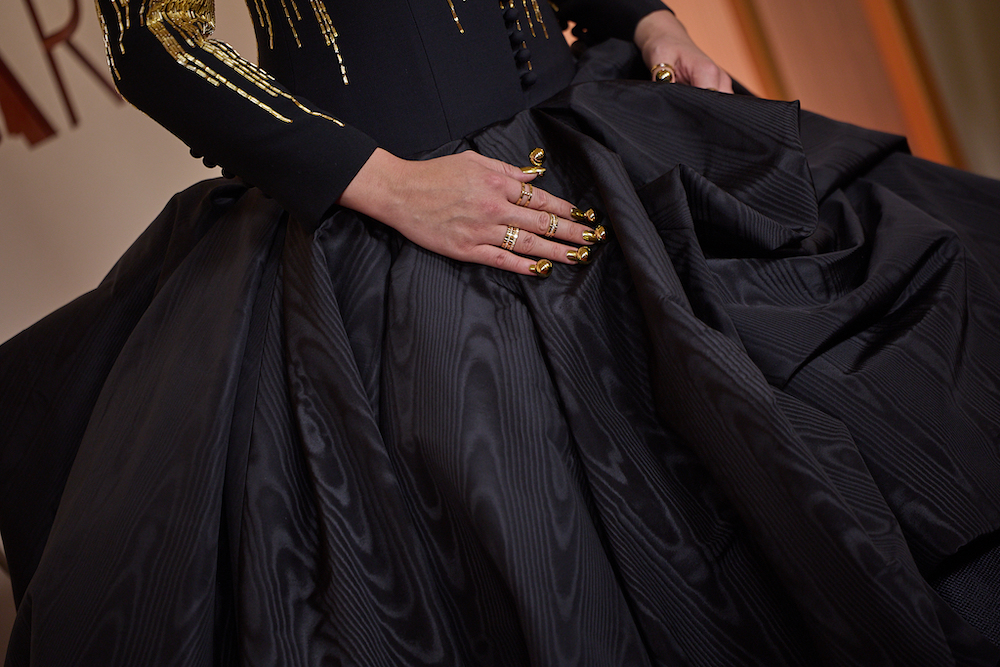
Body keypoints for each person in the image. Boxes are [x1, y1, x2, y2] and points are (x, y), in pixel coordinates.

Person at [1, 0, 999, 664]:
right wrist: (387, 183)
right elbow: (155, 40)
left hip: (596, 129)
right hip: (397, 208)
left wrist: (649, 21)